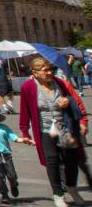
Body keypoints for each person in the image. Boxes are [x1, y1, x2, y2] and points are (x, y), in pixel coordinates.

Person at [18, 56, 90, 207]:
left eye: (50, 69)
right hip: (45, 129)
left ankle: (71, 188)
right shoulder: (28, 87)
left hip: (64, 127)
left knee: (71, 160)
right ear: (35, 72)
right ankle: (58, 195)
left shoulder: (60, 83)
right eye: (45, 70)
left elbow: (74, 101)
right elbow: (25, 111)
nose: (49, 73)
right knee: (52, 161)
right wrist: (25, 132)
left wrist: (68, 103)